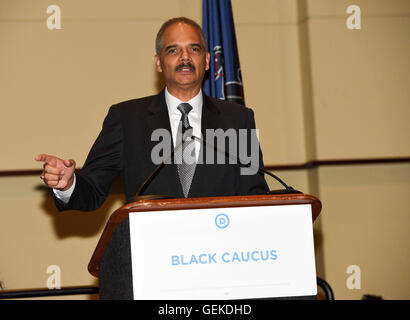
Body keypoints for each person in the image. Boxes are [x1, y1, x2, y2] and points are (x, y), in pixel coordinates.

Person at [35, 17, 269, 211]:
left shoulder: (238, 119)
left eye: (194, 49)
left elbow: (256, 196)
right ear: (159, 62)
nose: (185, 57)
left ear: (207, 61)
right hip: (151, 253)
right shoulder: (126, 119)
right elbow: (92, 192)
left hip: (220, 253)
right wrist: (68, 184)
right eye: (173, 50)